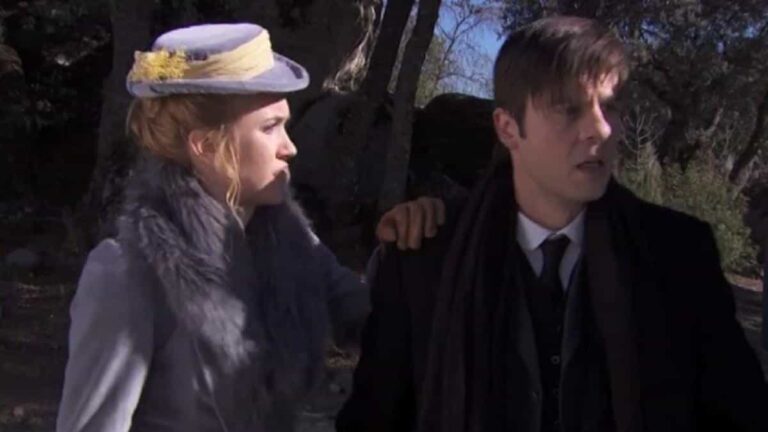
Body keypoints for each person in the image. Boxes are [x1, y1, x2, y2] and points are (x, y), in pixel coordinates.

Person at [337, 16, 768, 432]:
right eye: (568, 109)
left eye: (610, 106)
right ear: (508, 128)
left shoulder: (679, 255)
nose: (600, 129)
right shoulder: (426, 257)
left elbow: (739, 414)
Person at [56, 23, 442, 432]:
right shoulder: (125, 274)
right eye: (269, 128)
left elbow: (378, 323)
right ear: (206, 146)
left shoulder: (294, 244)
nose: (290, 147)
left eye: (285, 125)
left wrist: (415, 244)